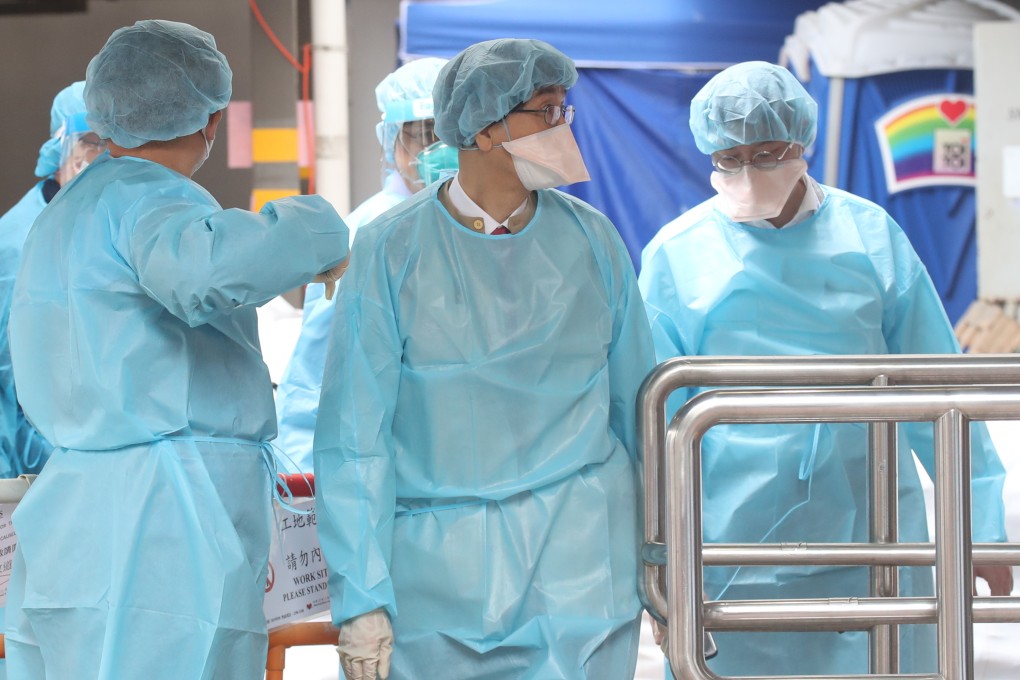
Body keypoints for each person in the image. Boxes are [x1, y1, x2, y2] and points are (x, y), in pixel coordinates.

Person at [638, 61, 1012, 676]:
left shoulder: (870, 237)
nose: (750, 172)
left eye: (768, 151)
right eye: (731, 157)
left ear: (801, 142)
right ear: (709, 152)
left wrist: (982, 528)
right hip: (730, 537)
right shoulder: (677, 255)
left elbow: (940, 387)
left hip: (874, 522)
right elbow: (649, 419)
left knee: (881, 655)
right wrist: (657, 563)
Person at [4, 20, 348, 680]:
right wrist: (319, 230)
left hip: (76, 504)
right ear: (209, 116)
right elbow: (205, 272)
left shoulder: (65, 214)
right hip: (161, 520)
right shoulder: (148, 201)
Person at [314, 38, 655, 680]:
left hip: (579, 568)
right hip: (437, 581)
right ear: (486, 126)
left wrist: (665, 559)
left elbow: (640, 409)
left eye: (564, 112)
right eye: (546, 112)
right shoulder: (390, 248)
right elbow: (354, 438)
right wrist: (360, 597)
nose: (563, 127)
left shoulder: (592, 239)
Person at [275, 56, 453, 471]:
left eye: (447, 135)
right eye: (421, 136)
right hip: (387, 463)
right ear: (391, 141)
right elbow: (318, 371)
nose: (437, 151)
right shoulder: (367, 232)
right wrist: (303, 470)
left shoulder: (482, 228)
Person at [0, 81, 103, 479]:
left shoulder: (99, 226)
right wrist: (59, 464)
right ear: (61, 147)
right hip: (29, 461)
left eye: (116, 145)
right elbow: (15, 376)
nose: (104, 157)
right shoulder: (20, 242)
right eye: (91, 143)